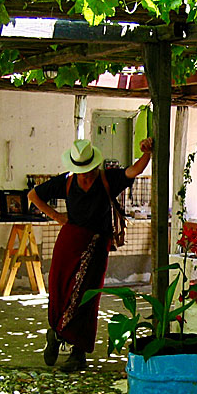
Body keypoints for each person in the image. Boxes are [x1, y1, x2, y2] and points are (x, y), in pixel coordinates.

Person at [29, 137, 153, 372]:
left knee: (87, 298)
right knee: (61, 292)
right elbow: (33, 196)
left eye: (88, 171)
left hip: (96, 248)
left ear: (96, 166)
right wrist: (58, 217)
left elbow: (134, 170)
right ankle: (55, 334)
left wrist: (147, 153)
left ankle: (78, 353)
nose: (85, 176)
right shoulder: (66, 182)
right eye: (80, 171)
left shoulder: (108, 179)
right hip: (69, 245)